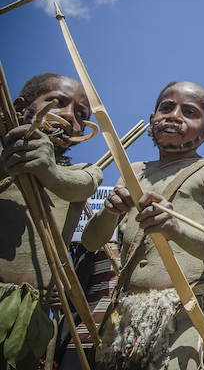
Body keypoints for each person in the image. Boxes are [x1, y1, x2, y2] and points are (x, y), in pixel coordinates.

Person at [81, 81, 204, 370]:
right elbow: (90, 242)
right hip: (124, 312)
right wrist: (111, 211)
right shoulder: (133, 171)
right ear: (152, 119)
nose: (173, 115)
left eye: (188, 112)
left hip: (184, 312)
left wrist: (176, 229)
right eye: (166, 107)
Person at [0, 73, 103, 368]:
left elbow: (78, 186)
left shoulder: (85, 172)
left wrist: (48, 170)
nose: (69, 117)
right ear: (21, 108)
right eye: (56, 103)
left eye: (81, 115)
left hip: (33, 313)